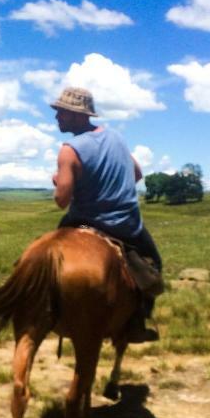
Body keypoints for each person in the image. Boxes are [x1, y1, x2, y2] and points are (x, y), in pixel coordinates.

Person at [50, 85, 161, 342]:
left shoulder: (70, 149)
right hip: (126, 225)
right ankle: (137, 322)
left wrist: (60, 182)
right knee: (153, 263)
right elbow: (137, 174)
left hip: (84, 220)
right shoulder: (117, 138)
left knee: (51, 253)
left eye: (62, 112)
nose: (57, 117)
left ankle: (45, 308)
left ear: (78, 114)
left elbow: (61, 200)